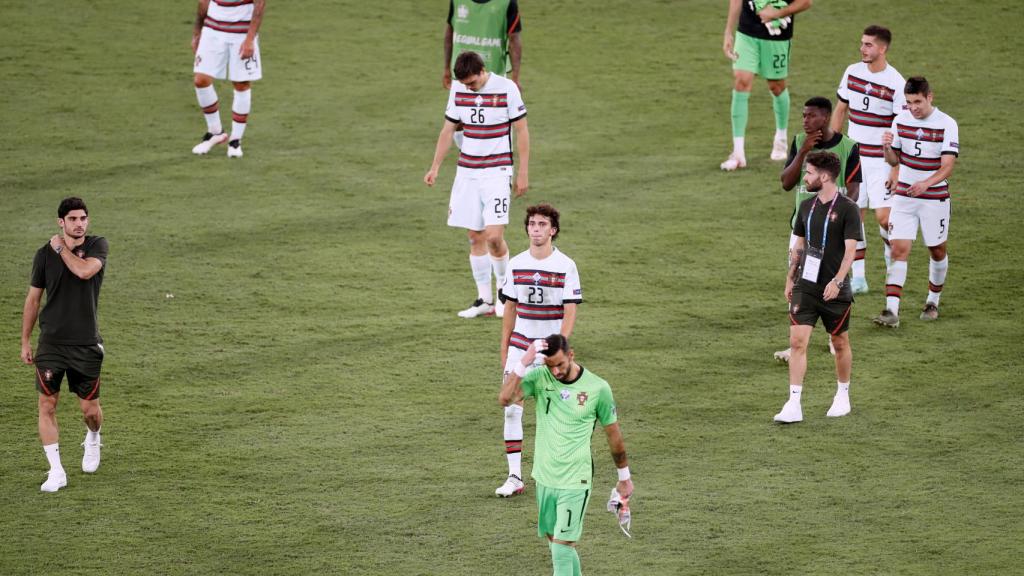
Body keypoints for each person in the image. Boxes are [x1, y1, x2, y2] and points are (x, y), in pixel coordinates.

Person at [498, 335, 633, 576]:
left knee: (561, 548)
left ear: (571, 355)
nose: (556, 371)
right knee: (557, 543)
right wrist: (524, 360)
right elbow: (505, 398)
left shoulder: (598, 388)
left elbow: (614, 436)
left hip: (575, 480)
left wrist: (624, 478)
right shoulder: (540, 377)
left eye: (560, 364)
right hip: (544, 476)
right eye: (550, 366)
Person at [424, 51, 530, 319]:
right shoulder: (458, 89)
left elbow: (521, 130)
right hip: (467, 172)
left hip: (497, 172)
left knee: (494, 237)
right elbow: (448, 130)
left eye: (472, 82)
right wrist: (435, 167)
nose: (469, 88)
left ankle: (505, 295)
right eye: (465, 84)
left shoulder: (507, 88)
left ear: (482, 71)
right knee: (475, 236)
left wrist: (523, 172)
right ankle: (484, 299)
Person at [20, 198, 109, 492]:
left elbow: (84, 271)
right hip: (52, 344)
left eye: (83, 218)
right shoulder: (43, 256)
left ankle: (93, 437)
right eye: (72, 219)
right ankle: (56, 471)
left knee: (90, 411)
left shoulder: (97, 246)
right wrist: (25, 340)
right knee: (46, 405)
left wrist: (60, 249)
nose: (79, 223)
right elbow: (33, 299)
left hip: (85, 343)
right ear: (61, 222)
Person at [494, 204, 582, 497]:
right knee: (511, 408)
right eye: (532, 223)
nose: (536, 229)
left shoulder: (566, 265)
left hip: (550, 349)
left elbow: (570, 310)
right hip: (521, 346)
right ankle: (514, 476)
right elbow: (510, 307)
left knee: (555, 411)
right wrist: (505, 348)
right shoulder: (516, 263)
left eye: (542, 224)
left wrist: (561, 346)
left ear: (553, 230)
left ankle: (557, 472)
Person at [776, 152, 862, 423]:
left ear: (824, 177)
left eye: (810, 173)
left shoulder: (848, 209)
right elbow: (799, 245)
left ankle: (842, 395)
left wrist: (838, 281)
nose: (805, 177)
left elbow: (851, 251)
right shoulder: (806, 207)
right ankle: (793, 403)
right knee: (797, 342)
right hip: (806, 286)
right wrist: (791, 277)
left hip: (834, 288)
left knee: (839, 342)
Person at [774, 97, 861, 363]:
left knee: (834, 282)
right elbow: (786, 183)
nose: (805, 120)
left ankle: (835, 337)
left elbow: (854, 191)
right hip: (802, 231)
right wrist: (802, 152)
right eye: (803, 115)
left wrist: (836, 218)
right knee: (799, 284)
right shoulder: (800, 141)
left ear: (825, 117)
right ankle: (797, 344)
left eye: (811, 116)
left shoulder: (848, 147)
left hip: (835, 232)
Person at [874, 76, 959, 328]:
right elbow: (894, 161)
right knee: (898, 249)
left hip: (934, 198)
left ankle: (933, 300)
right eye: (909, 102)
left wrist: (926, 183)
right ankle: (891, 311)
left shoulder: (947, 124)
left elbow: (948, 166)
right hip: (904, 196)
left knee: (937, 249)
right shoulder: (900, 120)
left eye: (918, 102)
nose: (913, 108)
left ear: (929, 97)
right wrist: (887, 149)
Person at [831, 25, 907, 295]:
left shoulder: (896, 83)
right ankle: (859, 278)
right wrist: (834, 149)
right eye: (862, 43)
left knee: (885, 219)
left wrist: (896, 168)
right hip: (854, 159)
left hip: (881, 161)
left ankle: (890, 259)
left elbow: (902, 128)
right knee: (854, 217)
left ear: (882, 48)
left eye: (868, 44)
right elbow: (840, 109)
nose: (862, 48)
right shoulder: (852, 72)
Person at [721, 0, 813, 171]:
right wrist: (728, 31)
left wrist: (777, 13)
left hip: (777, 36)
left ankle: (781, 139)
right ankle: (738, 153)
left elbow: (806, 2)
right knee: (741, 81)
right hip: (746, 32)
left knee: (776, 86)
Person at [190, 0, 266, 158]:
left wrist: (250, 39)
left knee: (241, 84)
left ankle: (235, 140)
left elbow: (259, 5)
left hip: (241, 32)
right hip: (212, 30)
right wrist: (197, 32)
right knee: (200, 80)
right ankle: (215, 132)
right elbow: (203, 1)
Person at [443, 0, 522, 89]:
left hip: (491, 77)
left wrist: (515, 77)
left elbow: (514, 40)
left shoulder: (507, 2)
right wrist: (446, 69)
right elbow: (449, 33)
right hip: (462, 77)